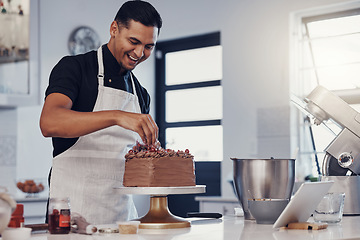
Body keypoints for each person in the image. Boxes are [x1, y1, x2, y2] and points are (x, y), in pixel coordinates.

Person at [40, 0, 162, 224]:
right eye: (133, 41)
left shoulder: (141, 94)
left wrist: (146, 155)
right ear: (114, 29)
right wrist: (117, 116)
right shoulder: (74, 68)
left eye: (148, 46)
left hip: (122, 219)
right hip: (72, 216)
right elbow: (49, 122)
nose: (139, 53)